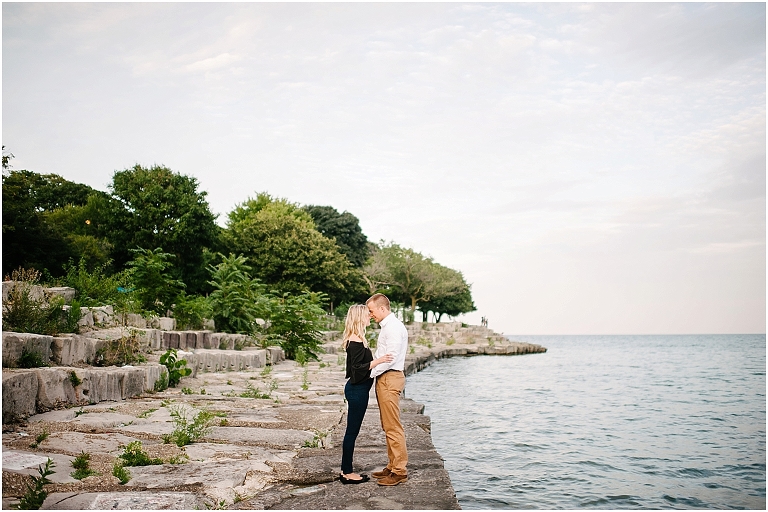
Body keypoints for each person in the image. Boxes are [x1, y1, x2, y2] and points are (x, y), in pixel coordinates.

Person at [339, 304, 393, 484]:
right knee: (351, 433)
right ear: (358, 317)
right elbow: (356, 370)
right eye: (367, 314)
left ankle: (346, 470)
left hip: (359, 391)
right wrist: (379, 360)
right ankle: (347, 472)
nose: (370, 316)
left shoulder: (358, 339)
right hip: (357, 391)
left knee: (352, 432)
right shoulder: (355, 341)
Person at [366, 293, 409, 486]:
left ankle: (399, 471)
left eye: (372, 310)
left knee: (392, 426)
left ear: (382, 308)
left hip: (390, 377)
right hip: (386, 377)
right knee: (387, 425)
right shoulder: (388, 327)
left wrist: (370, 372)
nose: (370, 314)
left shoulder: (393, 328)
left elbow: (390, 357)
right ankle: (392, 466)